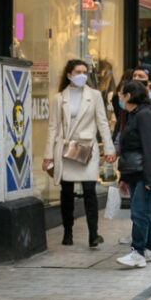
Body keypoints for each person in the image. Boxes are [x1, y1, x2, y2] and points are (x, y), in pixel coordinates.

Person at [43, 59, 116, 248]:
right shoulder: (60, 98)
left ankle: (94, 234)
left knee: (90, 191)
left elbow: (102, 123)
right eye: (77, 71)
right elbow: (53, 127)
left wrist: (109, 149)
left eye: (84, 71)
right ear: (69, 75)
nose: (82, 74)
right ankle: (68, 232)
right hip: (66, 148)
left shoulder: (95, 95)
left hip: (86, 149)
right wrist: (48, 155)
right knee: (66, 193)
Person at [116, 81, 151, 269]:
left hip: (144, 173)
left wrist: (149, 178)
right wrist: (125, 177)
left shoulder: (144, 115)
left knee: (139, 212)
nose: (120, 98)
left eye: (122, 94)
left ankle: (138, 252)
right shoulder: (134, 114)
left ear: (129, 95)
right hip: (135, 172)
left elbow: (150, 147)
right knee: (143, 212)